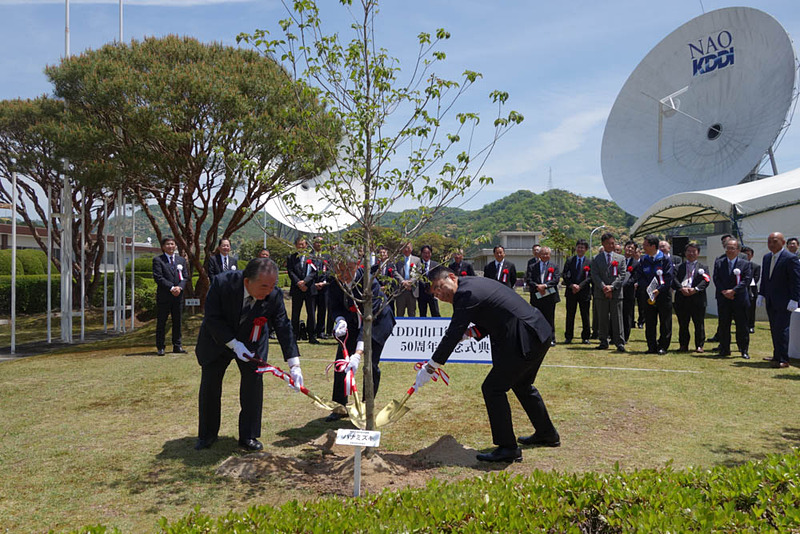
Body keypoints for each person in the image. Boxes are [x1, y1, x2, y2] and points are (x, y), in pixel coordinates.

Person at [415, 266, 559, 463]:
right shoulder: (471, 286)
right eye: (435, 294)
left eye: (439, 288)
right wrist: (470, 334)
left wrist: (431, 367)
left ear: (451, 277)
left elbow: (453, 333)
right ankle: (547, 434)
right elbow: (494, 313)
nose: (440, 295)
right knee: (522, 385)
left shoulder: (466, 294)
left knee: (493, 389)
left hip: (524, 337)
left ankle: (508, 448)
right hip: (537, 331)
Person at [194, 258, 303, 451]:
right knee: (211, 385)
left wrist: (294, 364)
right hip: (217, 339)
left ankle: (249, 435)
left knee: (253, 385)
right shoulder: (222, 283)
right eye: (263, 286)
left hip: (252, 342)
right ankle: (207, 434)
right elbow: (212, 318)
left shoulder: (273, 294)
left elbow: (283, 326)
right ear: (247, 281)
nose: (268, 291)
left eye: (272, 285)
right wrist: (234, 344)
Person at [325, 254, 396, 421]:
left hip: (377, 323)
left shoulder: (370, 283)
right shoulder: (335, 282)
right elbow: (334, 306)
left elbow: (369, 321)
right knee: (341, 363)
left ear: (357, 264)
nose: (343, 274)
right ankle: (340, 406)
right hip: (351, 322)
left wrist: (358, 353)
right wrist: (339, 319)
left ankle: (366, 406)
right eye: (339, 270)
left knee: (370, 366)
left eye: (347, 269)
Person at [758, 232, 800, 368]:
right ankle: (776, 355)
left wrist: (794, 299)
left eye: (775, 241)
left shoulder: (790, 258)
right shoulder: (766, 258)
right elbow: (765, 278)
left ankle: (783, 358)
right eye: (769, 241)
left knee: (782, 329)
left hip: (785, 300)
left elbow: (796, 281)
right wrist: (761, 294)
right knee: (774, 328)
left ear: (783, 243)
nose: (771, 244)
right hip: (771, 300)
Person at [633, 235, 674, 354]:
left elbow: (668, 277)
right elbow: (639, 276)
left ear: (653, 246)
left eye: (645, 245)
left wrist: (659, 289)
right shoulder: (644, 260)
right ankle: (651, 346)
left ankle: (662, 346)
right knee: (650, 321)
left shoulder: (665, 259)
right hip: (648, 294)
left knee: (665, 321)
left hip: (663, 295)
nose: (643, 247)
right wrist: (647, 287)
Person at [712, 238, 752, 359]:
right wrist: (724, 291)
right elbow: (716, 278)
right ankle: (724, 349)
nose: (729, 250)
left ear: (738, 250)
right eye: (727, 248)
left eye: (732, 248)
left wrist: (734, 291)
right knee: (724, 324)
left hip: (739, 298)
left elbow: (747, 279)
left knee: (742, 325)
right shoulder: (719, 262)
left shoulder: (745, 264)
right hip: (724, 298)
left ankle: (743, 349)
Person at [590, 233, 628, 352]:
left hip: (616, 293)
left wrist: (612, 287)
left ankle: (619, 342)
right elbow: (594, 275)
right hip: (601, 294)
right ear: (603, 244)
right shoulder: (596, 258)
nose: (611, 245)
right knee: (602, 318)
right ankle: (603, 341)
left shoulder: (621, 258)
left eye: (613, 243)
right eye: (608, 243)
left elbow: (622, 275)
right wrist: (604, 287)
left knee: (617, 318)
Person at [152, 236, 188, 356]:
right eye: (167, 244)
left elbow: (185, 277)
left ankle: (177, 346)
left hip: (178, 296)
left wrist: (180, 287)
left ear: (176, 246)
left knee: (177, 321)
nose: (170, 246)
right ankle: (160, 347)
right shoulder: (158, 260)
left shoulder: (181, 260)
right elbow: (158, 277)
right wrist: (172, 287)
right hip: (164, 296)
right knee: (162, 322)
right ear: (163, 247)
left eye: (172, 244)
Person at [671, 242, 709, 353]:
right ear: (685, 253)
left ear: (698, 253)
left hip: (697, 298)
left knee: (699, 323)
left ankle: (699, 345)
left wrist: (695, 289)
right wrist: (681, 288)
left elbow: (706, 281)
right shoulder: (679, 267)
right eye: (689, 251)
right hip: (682, 298)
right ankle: (683, 345)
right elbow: (673, 279)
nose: (691, 253)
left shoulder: (703, 267)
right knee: (683, 324)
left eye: (694, 251)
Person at [287, 236, 319, 344]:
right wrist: (299, 283)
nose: (301, 246)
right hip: (297, 289)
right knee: (295, 313)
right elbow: (290, 272)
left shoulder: (312, 257)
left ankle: (312, 336)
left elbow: (314, 272)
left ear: (306, 245)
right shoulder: (291, 257)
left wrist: (305, 282)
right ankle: (294, 336)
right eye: (299, 244)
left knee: (311, 313)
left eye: (303, 244)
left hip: (309, 289)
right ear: (296, 245)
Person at [526, 246, 560, 346]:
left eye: (547, 254)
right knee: (537, 318)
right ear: (539, 255)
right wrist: (537, 286)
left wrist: (544, 286)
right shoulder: (533, 266)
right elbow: (529, 279)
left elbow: (556, 279)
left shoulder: (554, 266)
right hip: (537, 296)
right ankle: (537, 338)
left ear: (550, 255)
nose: (545, 256)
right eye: (543, 254)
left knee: (550, 318)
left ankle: (551, 339)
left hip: (549, 297)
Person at [562, 239, 592, 344]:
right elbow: (565, 274)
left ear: (586, 249)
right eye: (578, 247)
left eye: (582, 247)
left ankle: (586, 337)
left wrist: (580, 286)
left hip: (584, 292)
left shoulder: (589, 262)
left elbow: (590, 277)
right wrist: (571, 285)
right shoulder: (570, 260)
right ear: (576, 248)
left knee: (585, 315)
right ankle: (569, 336)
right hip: (571, 292)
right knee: (570, 314)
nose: (580, 249)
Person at [311, 237, 333, 339]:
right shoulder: (309, 256)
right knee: (311, 310)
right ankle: (311, 331)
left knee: (322, 310)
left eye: (321, 242)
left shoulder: (327, 256)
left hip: (324, 287)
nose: (319, 244)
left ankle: (321, 331)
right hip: (312, 286)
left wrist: (324, 282)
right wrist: (313, 283)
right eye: (317, 242)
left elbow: (330, 270)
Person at [393, 242, 421, 317]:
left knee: (412, 314)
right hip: (400, 290)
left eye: (408, 247)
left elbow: (418, 273)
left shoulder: (417, 260)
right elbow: (394, 272)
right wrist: (403, 282)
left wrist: (410, 282)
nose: (406, 249)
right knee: (399, 313)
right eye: (404, 247)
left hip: (412, 291)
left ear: (411, 249)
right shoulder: (397, 259)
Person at [621, 241, 639, 342]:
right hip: (617, 291)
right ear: (625, 247)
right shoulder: (618, 260)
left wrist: (625, 284)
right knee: (616, 314)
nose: (630, 250)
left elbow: (634, 277)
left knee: (627, 315)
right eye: (628, 247)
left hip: (628, 292)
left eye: (632, 248)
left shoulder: (636, 263)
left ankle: (625, 336)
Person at [371, 245, 396, 315]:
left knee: (390, 310)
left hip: (389, 293)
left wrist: (386, 287)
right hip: (378, 293)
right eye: (380, 253)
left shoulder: (392, 266)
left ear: (387, 255)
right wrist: (379, 287)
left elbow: (394, 279)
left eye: (384, 252)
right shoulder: (374, 267)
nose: (382, 254)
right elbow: (372, 279)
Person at [417, 244, 440, 317]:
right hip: (421, 293)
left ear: (431, 253)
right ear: (421, 253)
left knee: (435, 313)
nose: (426, 255)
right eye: (424, 253)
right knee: (422, 314)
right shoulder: (418, 264)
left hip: (433, 293)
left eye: (428, 253)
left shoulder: (436, 264)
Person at [741, 246, 760, 334]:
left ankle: (751, 326)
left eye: (748, 254)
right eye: (744, 254)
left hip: (751, 290)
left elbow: (756, 279)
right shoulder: (738, 266)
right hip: (741, 290)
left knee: (751, 309)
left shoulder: (756, 266)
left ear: (752, 255)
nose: (746, 256)